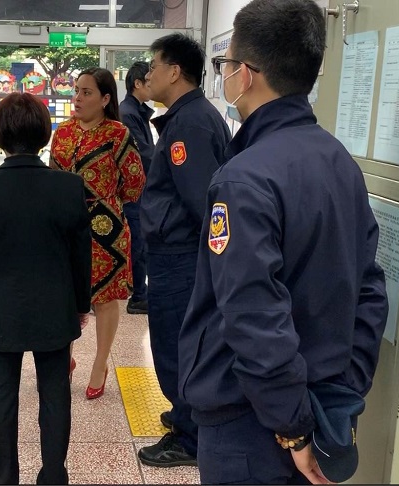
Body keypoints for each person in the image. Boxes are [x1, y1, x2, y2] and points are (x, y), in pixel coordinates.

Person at [178, 0, 389, 484]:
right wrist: (340, 398)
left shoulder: (243, 179)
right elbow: (370, 291)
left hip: (251, 425)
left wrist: (294, 427)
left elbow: (252, 312)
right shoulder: (341, 164)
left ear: (246, 75)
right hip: (319, 407)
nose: (225, 76)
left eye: (224, 65)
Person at [0, 92, 92, 485]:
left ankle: (1, 477)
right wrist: (81, 304)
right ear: (45, 134)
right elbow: (82, 256)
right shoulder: (68, 187)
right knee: (55, 395)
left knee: (1, 397)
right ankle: (53, 475)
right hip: (55, 306)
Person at [137, 33, 231, 467]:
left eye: (154, 66)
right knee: (176, 342)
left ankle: (189, 437)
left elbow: (202, 205)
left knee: (177, 345)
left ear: (175, 72)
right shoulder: (185, 117)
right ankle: (183, 414)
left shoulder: (189, 124)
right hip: (176, 253)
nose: (148, 74)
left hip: (181, 257)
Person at [50, 67, 145, 399]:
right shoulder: (61, 132)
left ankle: (100, 363)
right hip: (64, 225)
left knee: (104, 300)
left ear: (105, 99)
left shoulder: (119, 134)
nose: (77, 98)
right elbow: (51, 178)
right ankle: (67, 357)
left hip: (108, 231)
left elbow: (135, 185)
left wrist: (106, 199)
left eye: (86, 92)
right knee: (62, 295)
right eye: (76, 91)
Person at [119, 61, 154, 315]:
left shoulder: (137, 109)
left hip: (139, 187)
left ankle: (137, 289)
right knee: (138, 242)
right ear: (137, 84)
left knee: (139, 242)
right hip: (134, 189)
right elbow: (142, 154)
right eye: (148, 81)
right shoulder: (128, 113)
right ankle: (138, 296)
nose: (152, 85)